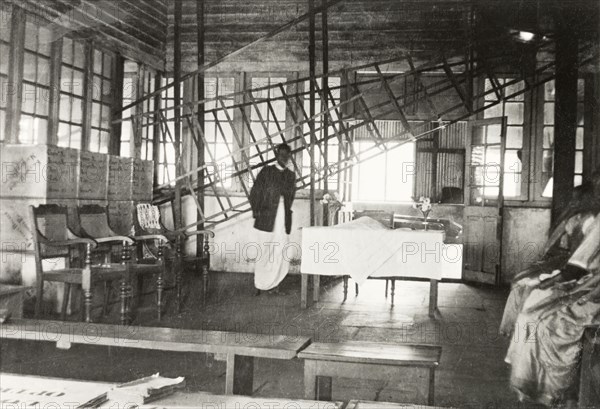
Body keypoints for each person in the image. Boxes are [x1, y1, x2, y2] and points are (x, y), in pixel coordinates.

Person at [499, 181, 600, 336]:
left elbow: (579, 261)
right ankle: (515, 332)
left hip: (576, 268)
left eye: (577, 199)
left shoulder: (591, 221)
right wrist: (567, 213)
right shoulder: (575, 217)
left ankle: (522, 335)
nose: (573, 202)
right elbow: (553, 238)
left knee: (529, 289)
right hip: (566, 260)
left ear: (587, 200)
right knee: (519, 281)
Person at [248, 144, 296, 294]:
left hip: (282, 218)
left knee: (280, 250)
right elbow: (255, 192)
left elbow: (290, 197)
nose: (284, 158)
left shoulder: (290, 175)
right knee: (264, 250)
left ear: (289, 157)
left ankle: (276, 284)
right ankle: (260, 283)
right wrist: (258, 212)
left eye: (286, 156)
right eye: (281, 155)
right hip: (266, 218)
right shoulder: (266, 172)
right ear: (276, 155)